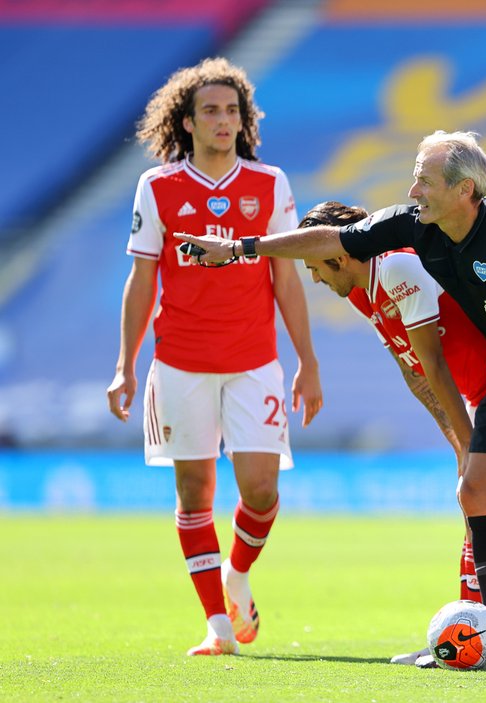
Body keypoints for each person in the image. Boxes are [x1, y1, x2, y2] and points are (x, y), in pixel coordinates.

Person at [177, 130, 486, 673]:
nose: (413, 188)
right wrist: (241, 249)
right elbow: (331, 241)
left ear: (464, 190)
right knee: (476, 494)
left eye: (424, 179)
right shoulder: (412, 225)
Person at [106, 57, 323, 656]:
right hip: (179, 362)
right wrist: (126, 364)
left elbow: (286, 277)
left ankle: (238, 574)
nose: (224, 120)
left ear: (243, 120)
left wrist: (307, 359)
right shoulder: (158, 187)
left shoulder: (270, 183)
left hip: (255, 361)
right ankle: (218, 626)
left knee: (259, 490)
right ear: (189, 122)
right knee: (194, 492)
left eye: (233, 110)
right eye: (211, 111)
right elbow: (142, 280)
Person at [295, 201, 486, 667]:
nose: (315, 280)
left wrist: (467, 440)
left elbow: (435, 363)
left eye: (315, 267)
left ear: (339, 256)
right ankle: (475, 634)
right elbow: (413, 368)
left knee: (483, 505)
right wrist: (454, 436)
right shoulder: (361, 290)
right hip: (475, 399)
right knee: (474, 506)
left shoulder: (399, 265)